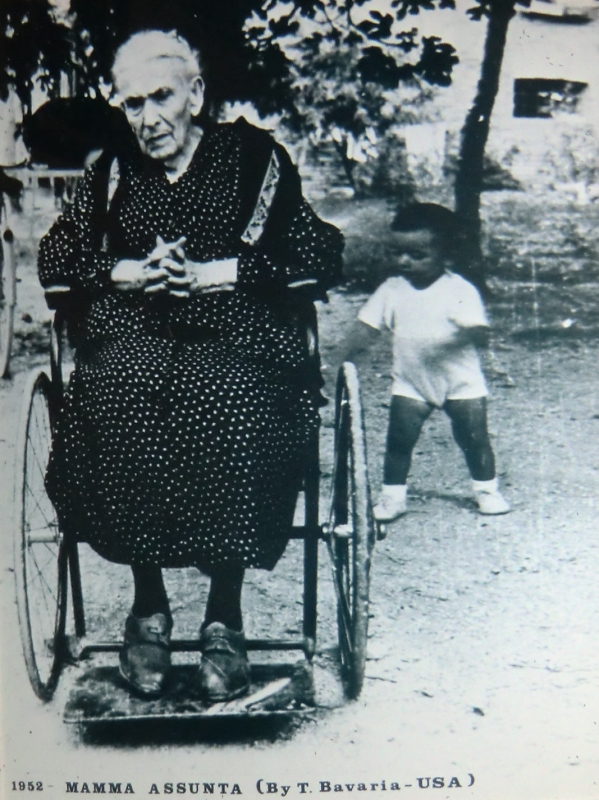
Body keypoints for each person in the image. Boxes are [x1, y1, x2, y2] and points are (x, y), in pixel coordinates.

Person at [38, 28, 343, 701]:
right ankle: (148, 608)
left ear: (195, 94)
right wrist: (125, 272)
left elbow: (317, 253)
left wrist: (222, 273)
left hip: (234, 331)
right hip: (135, 333)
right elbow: (57, 261)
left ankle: (223, 617)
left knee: (231, 395)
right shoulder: (110, 172)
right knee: (114, 391)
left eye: (161, 98)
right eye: (132, 103)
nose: (147, 119)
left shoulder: (251, 157)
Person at [341, 202, 510, 522]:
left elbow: (479, 331)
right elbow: (365, 328)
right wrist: (340, 360)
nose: (404, 261)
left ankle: (486, 489)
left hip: (460, 381)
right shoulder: (392, 290)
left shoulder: (459, 289)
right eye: (397, 253)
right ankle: (393, 496)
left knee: (474, 437)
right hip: (411, 381)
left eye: (417, 256)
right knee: (399, 441)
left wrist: (457, 339)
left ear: (446, 255)